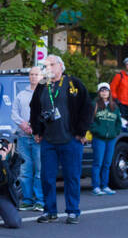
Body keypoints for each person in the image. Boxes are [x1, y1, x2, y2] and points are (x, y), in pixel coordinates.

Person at [31, 54, 94, 224]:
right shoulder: (43, 85)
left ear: (60, 66)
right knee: (47, 177)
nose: (48, 68)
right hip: (48, 140)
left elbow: (88, 107)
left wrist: (81, 131)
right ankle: (49, 211)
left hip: (70, 139)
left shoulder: (73, 83)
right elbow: (34, 108)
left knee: (71, 176)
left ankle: (73, 211)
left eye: (51, 64)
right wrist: (36, 130)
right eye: (46, 65)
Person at [12, 65, 44, 210]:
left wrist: (37, 129)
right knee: (25, 171)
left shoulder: (45, 93)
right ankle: (27, 200)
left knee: (39, 170)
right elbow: (14, 113)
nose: (33, 77)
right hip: (23, 137)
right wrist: (23, 124)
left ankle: (40, 201)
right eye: (31, 74)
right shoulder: (21, 95)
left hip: (39, 139)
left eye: (36, 74)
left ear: (42, 76)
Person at [88, 82, 122, 196]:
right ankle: (96, 186)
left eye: (106, 90)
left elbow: (118, 122)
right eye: (102, 90)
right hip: (99, 138)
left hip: (111, 139)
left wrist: (115, 132)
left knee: (107, 163)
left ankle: (105, 185)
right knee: (98, 163)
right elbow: (90, 121)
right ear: (99, 92)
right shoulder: (95, 104)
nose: (104, 92)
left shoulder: (114, 106)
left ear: (109, 92)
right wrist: (97, 131)